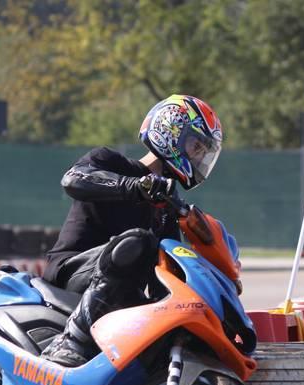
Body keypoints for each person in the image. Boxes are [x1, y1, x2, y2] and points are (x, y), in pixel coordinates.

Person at [40, 94, 223, 367]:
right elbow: (72, 180)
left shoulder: (167, 206)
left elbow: (169, 276)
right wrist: (135, 187)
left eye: (203, 151)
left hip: (119, 293)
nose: (199, 156)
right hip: (71, 272)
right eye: (196, 145)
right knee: (139, 241)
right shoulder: (109, 161)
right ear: (170, 132)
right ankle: (71, 342)